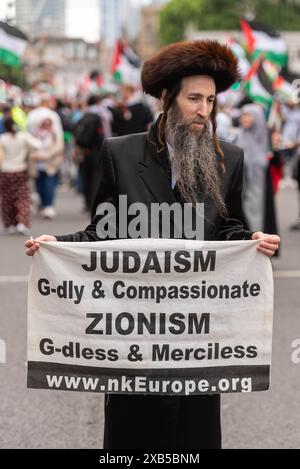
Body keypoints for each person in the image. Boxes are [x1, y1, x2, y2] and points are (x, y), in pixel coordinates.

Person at [25, 40, 280, 449]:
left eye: (211, 100)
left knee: (194, 439)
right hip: (134, 337)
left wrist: (251, 240)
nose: (204, 111)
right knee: (135, 440)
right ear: (167, 98)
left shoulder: (228, 158)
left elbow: (228, 227)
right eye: (194, 98)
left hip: (196, 338)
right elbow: (102, 233)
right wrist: (60, 245)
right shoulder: (119, 153)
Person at [0, 117, 41, 235]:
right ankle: (22, 222)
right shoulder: (23, 136)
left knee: (7, 199)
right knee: (23, 197)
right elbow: (38, 144)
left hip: (5, 171)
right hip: (20, 170)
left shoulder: (3, 138)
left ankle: (10, 223)